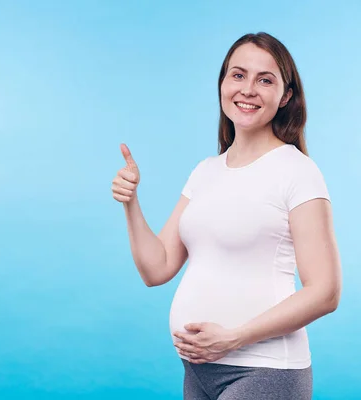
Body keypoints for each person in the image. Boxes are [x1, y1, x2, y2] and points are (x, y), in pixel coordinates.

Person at [111, 32, 342, 400]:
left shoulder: (297, 171)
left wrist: (235, 337)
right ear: (222, 84)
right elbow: (157, 269)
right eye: (238, 75)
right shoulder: (205, 171)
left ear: (285, 96)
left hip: (265, 371)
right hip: (198, 370)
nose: (248, 89)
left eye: (265, 80)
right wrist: (131, 202)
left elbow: (325, 292)